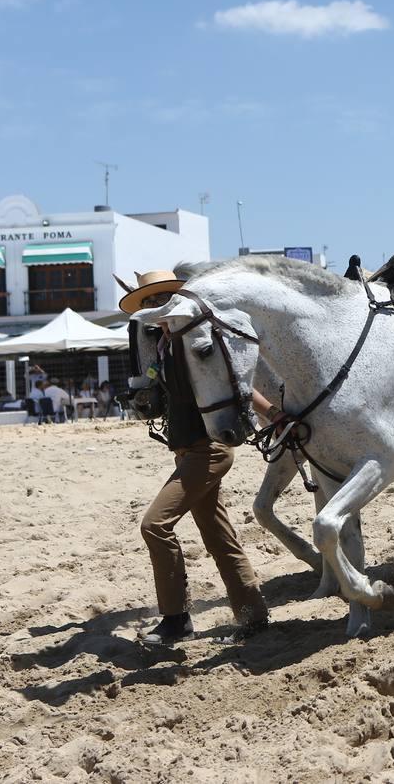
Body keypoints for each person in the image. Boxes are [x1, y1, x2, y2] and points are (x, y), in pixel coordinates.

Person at [120, 269, 271, 646]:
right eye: (149, 304)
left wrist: (275, 414)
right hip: (186, 448)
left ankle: (176, 620)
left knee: (154, 526)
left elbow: (236, 382)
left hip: (209, 449)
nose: (156, 308)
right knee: (220, 538)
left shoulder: (193, 342)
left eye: (161, 300)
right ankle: (253, 618)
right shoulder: (163, 346)